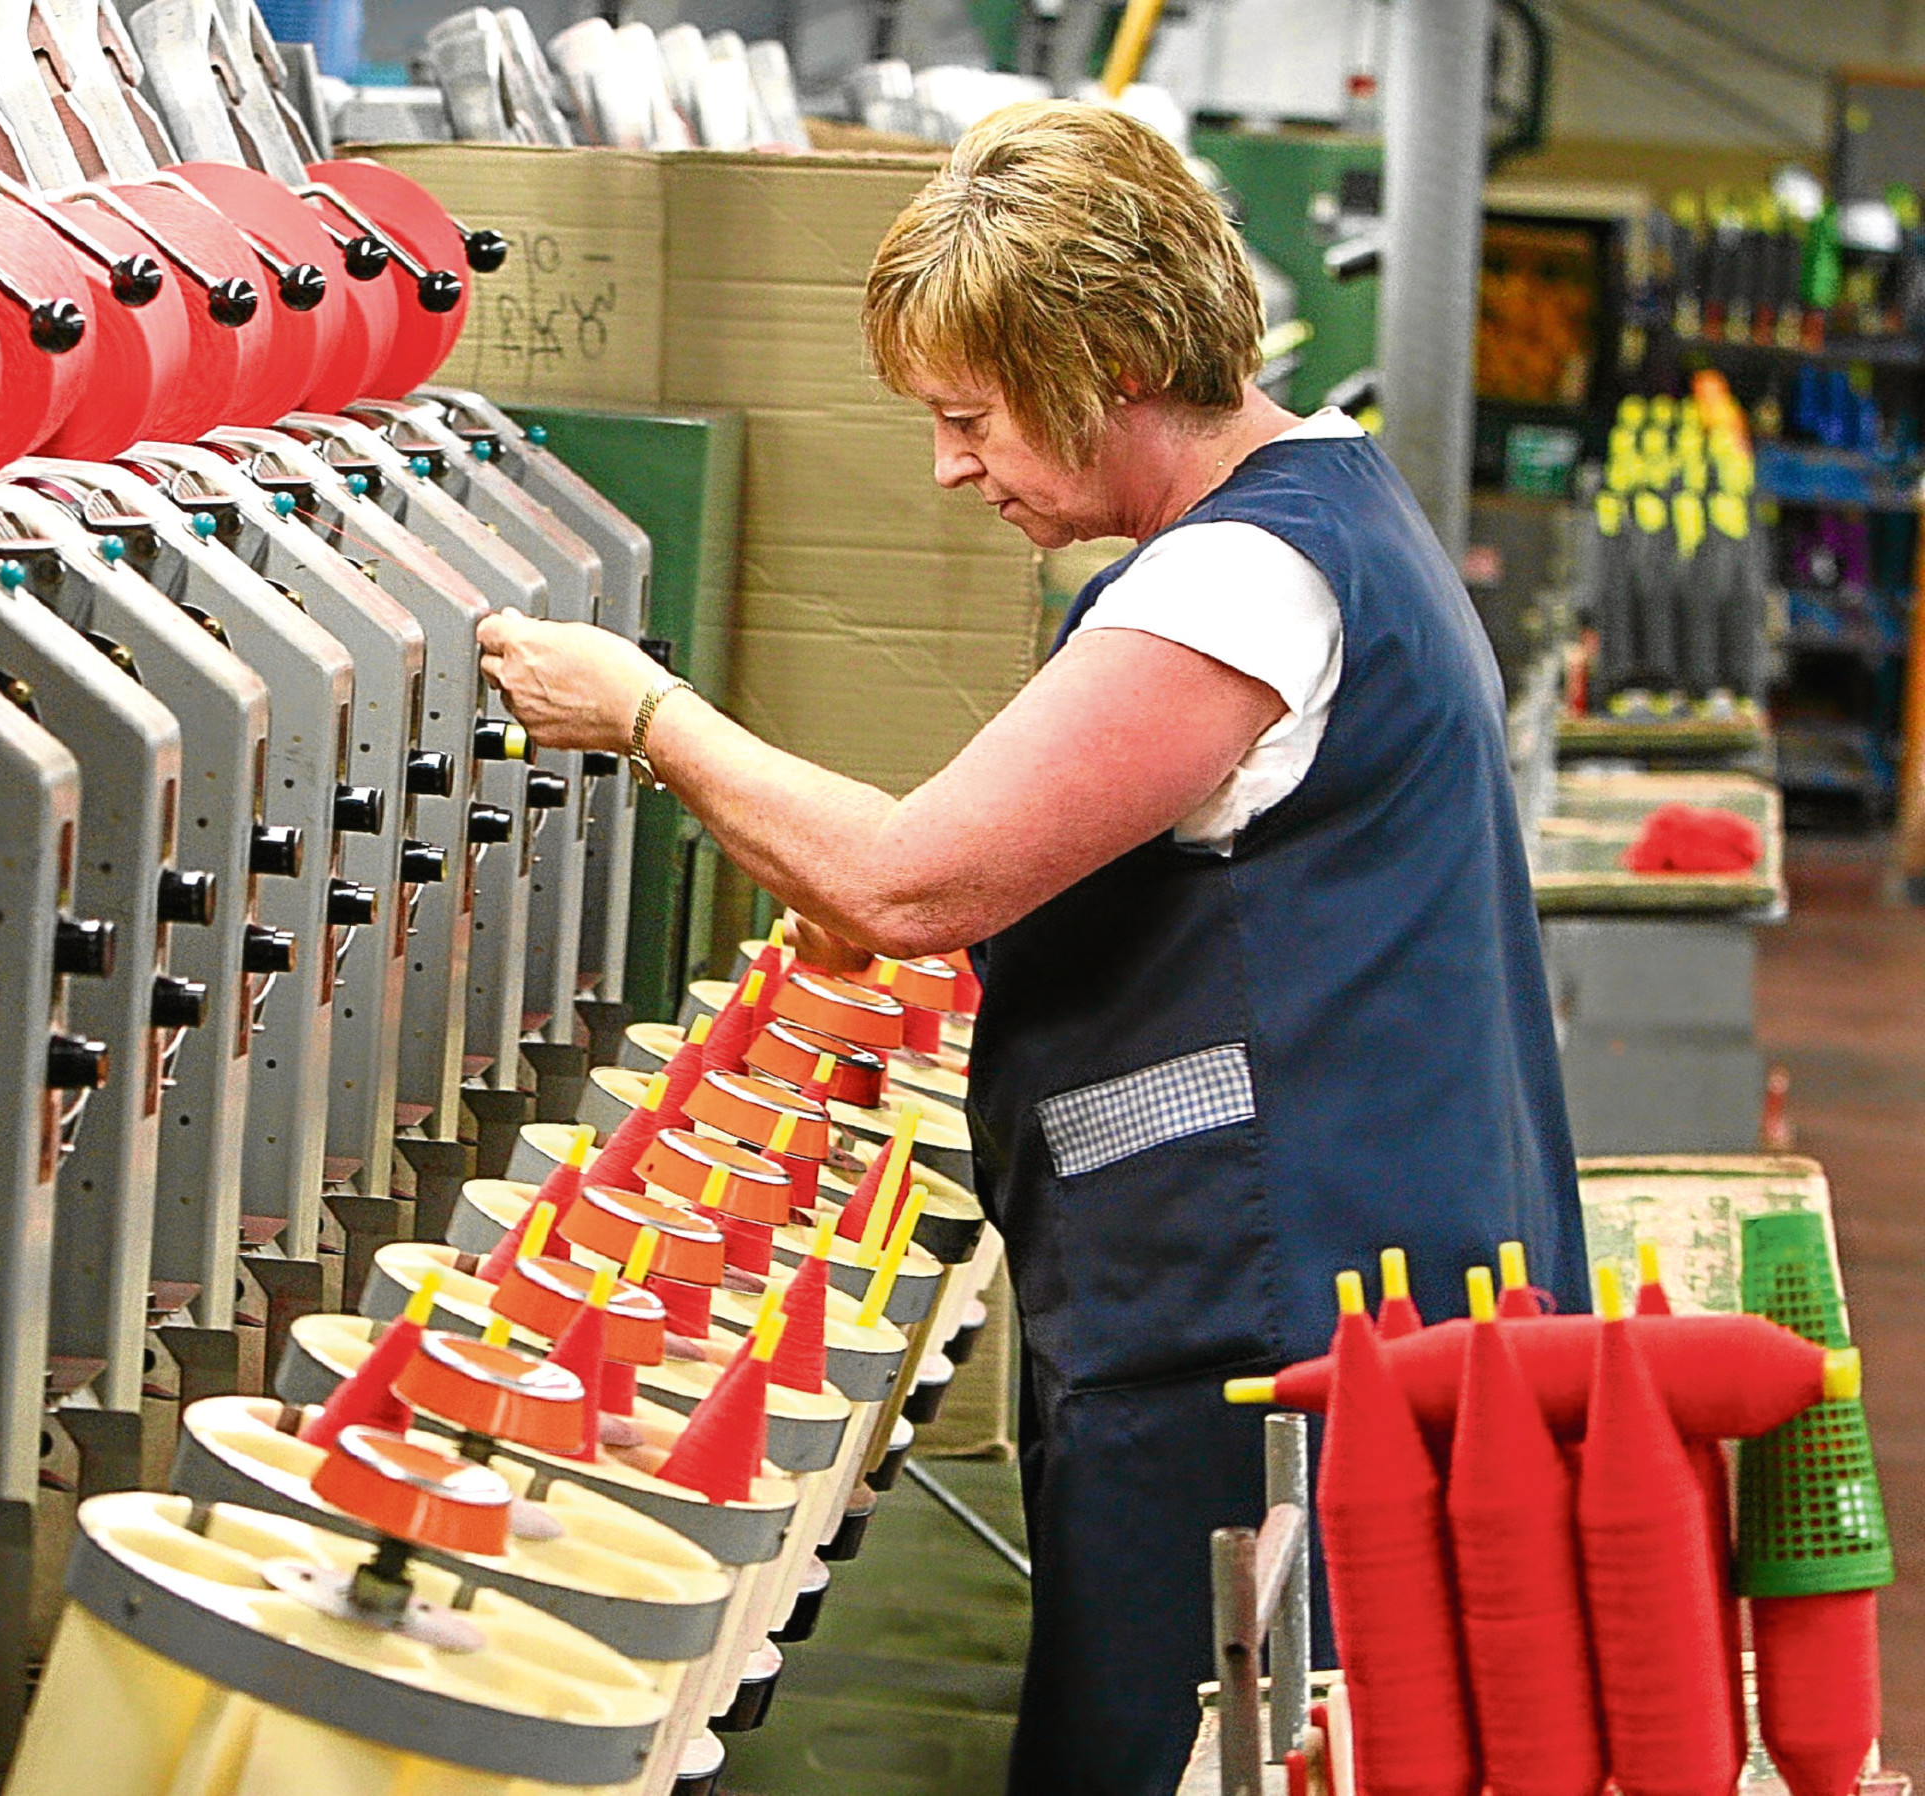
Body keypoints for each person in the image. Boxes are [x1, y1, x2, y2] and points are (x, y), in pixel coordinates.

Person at [476, 99, 1587, 1796]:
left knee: (1172, 1745)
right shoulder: (1326, 512)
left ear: (1107, 367)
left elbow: (914, 882)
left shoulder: (1237, 591)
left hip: (1265, 1324)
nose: (950, 467)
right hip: (1327, 1274)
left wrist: (645, 712)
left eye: (969, 415)